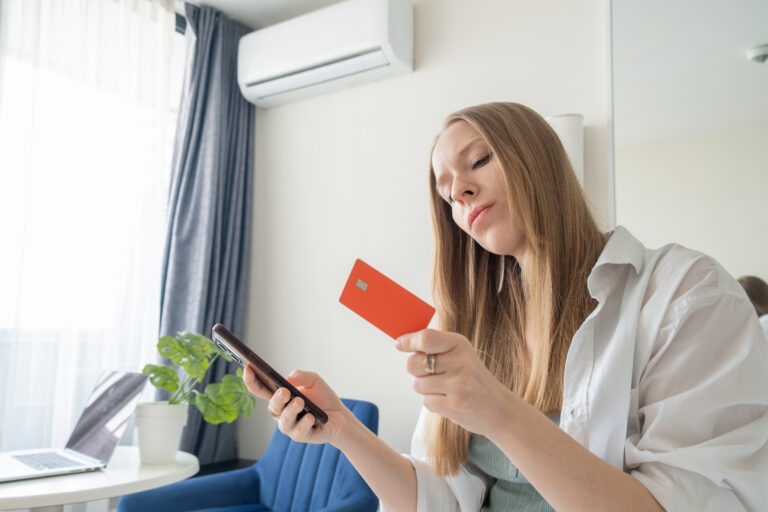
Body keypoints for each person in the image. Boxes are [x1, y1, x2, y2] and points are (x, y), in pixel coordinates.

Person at [244, 102, 768, 511]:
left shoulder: (683, 292)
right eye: (447, 192)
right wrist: (341, 429)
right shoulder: (476, 332)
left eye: (477, 161)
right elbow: (438, 499)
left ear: (537, 157)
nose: (462, 193)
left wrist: (498, 411)